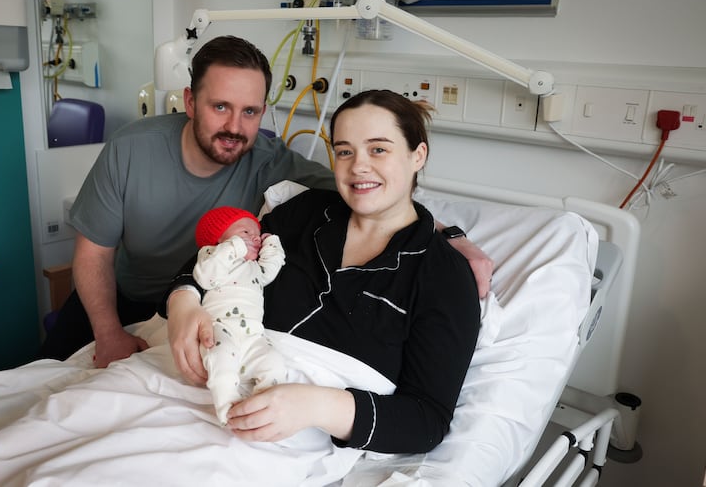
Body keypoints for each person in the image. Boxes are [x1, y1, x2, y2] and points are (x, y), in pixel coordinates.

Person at [38, 35, 492, 368]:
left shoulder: (272, 163)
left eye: (250, 111)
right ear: (190, 101)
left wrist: (451, 235)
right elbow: (93, 255)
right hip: (118, 299)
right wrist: (108, 332)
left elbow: (370, 192)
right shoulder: (131, 149)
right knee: (43, 385)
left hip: (203, 306)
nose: (236, 126)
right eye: (220, 107)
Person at [163, 89, 481, 454]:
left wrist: (316, 405)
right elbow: (217, 261)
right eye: (345, 151)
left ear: (417, 155)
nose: (358, 165)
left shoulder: (444, 275)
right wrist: (182, 301)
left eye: (378, 149)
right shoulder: (305, 213)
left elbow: (427, 420)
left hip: (277, 434)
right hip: (203, 376)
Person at [192, 206, 287, 424]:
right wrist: (235, 247)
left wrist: (271, 243)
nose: (254, 237)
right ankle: (227, 407)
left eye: (256, 233)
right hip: (220, 327)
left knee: (273, 362)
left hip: (253, 334)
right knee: (221, 356)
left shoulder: (255, 269)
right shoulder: (211, 256)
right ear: (218, 238)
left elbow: (272, 268)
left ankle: (264, 403)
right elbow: (205, 277)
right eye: (245, 232)